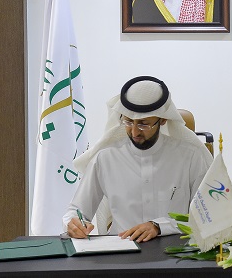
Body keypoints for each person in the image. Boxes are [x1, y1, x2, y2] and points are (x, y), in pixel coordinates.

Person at [63, 76, 213, 242]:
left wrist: (159, 226)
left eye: (143, 124)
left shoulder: (191, 157)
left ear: (163, 119)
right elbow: (76, 211)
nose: (134, 132)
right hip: (121, 250)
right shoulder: (105, 159)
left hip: (174, 250)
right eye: (128, 122)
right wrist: (73, 224)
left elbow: (207, 216)